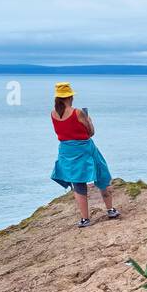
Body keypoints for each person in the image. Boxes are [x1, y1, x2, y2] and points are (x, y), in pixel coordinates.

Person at [50, 82, 119, 227]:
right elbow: (91, 132)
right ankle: (110, 210)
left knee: (78, 184)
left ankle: (85, 219)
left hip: (66, 151)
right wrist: (89, 121)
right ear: (70, 97)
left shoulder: (53, 113)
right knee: (102, 175)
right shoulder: (78, 112)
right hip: (84, 149)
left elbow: (63, 132)